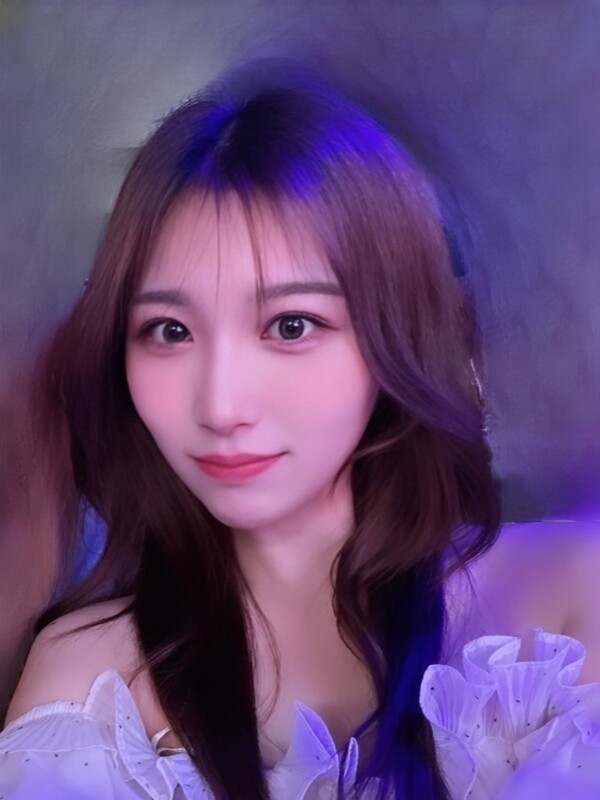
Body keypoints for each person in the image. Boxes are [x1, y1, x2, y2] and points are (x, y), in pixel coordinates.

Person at [1, 65, 599, 800]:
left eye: (290, 326)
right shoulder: (87, 683)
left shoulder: (569, 598)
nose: (221, 405)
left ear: (394, 336)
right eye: (169, 330)